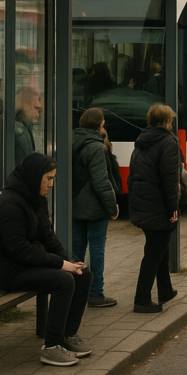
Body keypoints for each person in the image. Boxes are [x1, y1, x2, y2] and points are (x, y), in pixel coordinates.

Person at [0, 154, 93, 366]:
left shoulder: (36, 197)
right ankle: (51, 347)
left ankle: (67, 335)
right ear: (35, 176)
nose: (51, 184)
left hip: (25, 263)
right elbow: (19, 250)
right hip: (7, 269)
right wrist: (61, 266)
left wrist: (67, 262)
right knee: (63, 281)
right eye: (48, 178)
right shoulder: (10, 204)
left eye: (53, 178)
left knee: (82, 274)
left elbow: (47, 235)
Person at [127, 103, 180, 314]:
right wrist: (173, 207)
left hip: (142, 202)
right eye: (171, 121)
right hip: (158, 205)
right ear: (166, 121)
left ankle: (165, 290)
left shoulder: (141, 140)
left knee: (160, 247)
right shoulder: (168, 142)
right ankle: (141, 299)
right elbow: (170, 179)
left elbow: (133, 175)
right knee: (153, 253)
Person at [72, 108, 119, 308]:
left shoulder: (72, 141)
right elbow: (101, 182)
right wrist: (112, 207)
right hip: (94, 207)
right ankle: (95, 293)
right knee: (97, 249)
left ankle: (73, 291)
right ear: (100, 124)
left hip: (74, 205)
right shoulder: (96, 147)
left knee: (76, 250)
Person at [14, 88, 41, 163]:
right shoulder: (19, 131)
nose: (38, 115)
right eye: (35, 108)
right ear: (25, 105)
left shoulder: (24, 128)